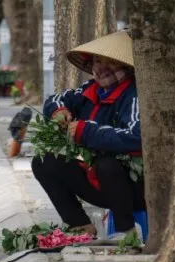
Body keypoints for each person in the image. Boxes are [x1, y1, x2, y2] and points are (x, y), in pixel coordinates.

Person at [32, 30, 145, 241]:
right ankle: (81, 227)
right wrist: (59, 112)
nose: (100, 68)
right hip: (98, 183)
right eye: (96, 61)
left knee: (107, 164)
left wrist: (87, 131)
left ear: (125, 66)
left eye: (108, 62)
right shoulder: (90, 89)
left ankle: (127, 232)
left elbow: (136, 137)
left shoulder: (134, 95)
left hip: (134, 187)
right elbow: (56, 99)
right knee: (43, 161)